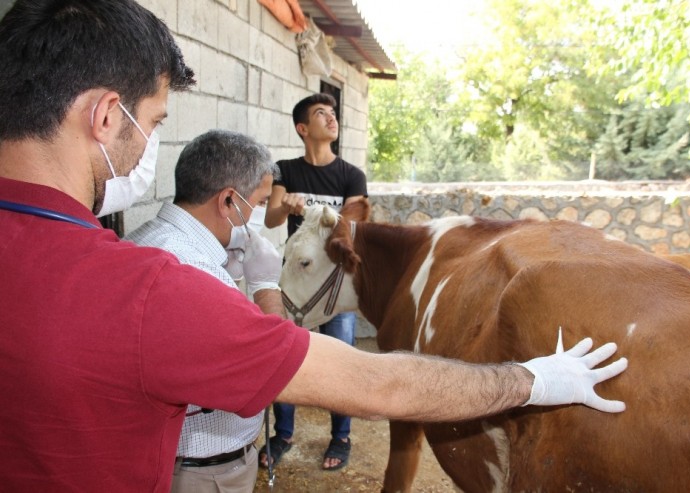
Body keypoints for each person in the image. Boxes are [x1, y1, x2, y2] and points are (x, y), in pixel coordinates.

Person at [0, 1, 628, 491]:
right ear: (107, 117)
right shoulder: (149, 290)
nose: (150, 144)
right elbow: (381, 386)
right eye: (156, 120)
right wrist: (533, 380)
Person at [125, 130, 282, 493]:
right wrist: (265, 288)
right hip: (204, 472)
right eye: (258, 203)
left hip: (165, 458)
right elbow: (270, 372)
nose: (260, 214)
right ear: (228, 200)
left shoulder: (144, 238)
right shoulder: (197, 272)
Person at [262, 93, 367, 471]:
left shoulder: (351, 175)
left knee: (342, 360)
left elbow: (355, 225)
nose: (331, 118)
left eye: (333, 113)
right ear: (303, 129)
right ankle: (283, 434)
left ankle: (340, 437)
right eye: (321, 114)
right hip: (297, 280)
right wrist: (285, 206)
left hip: (334, 286)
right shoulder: (285, 170)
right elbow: (272, 220)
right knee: (283, 354)